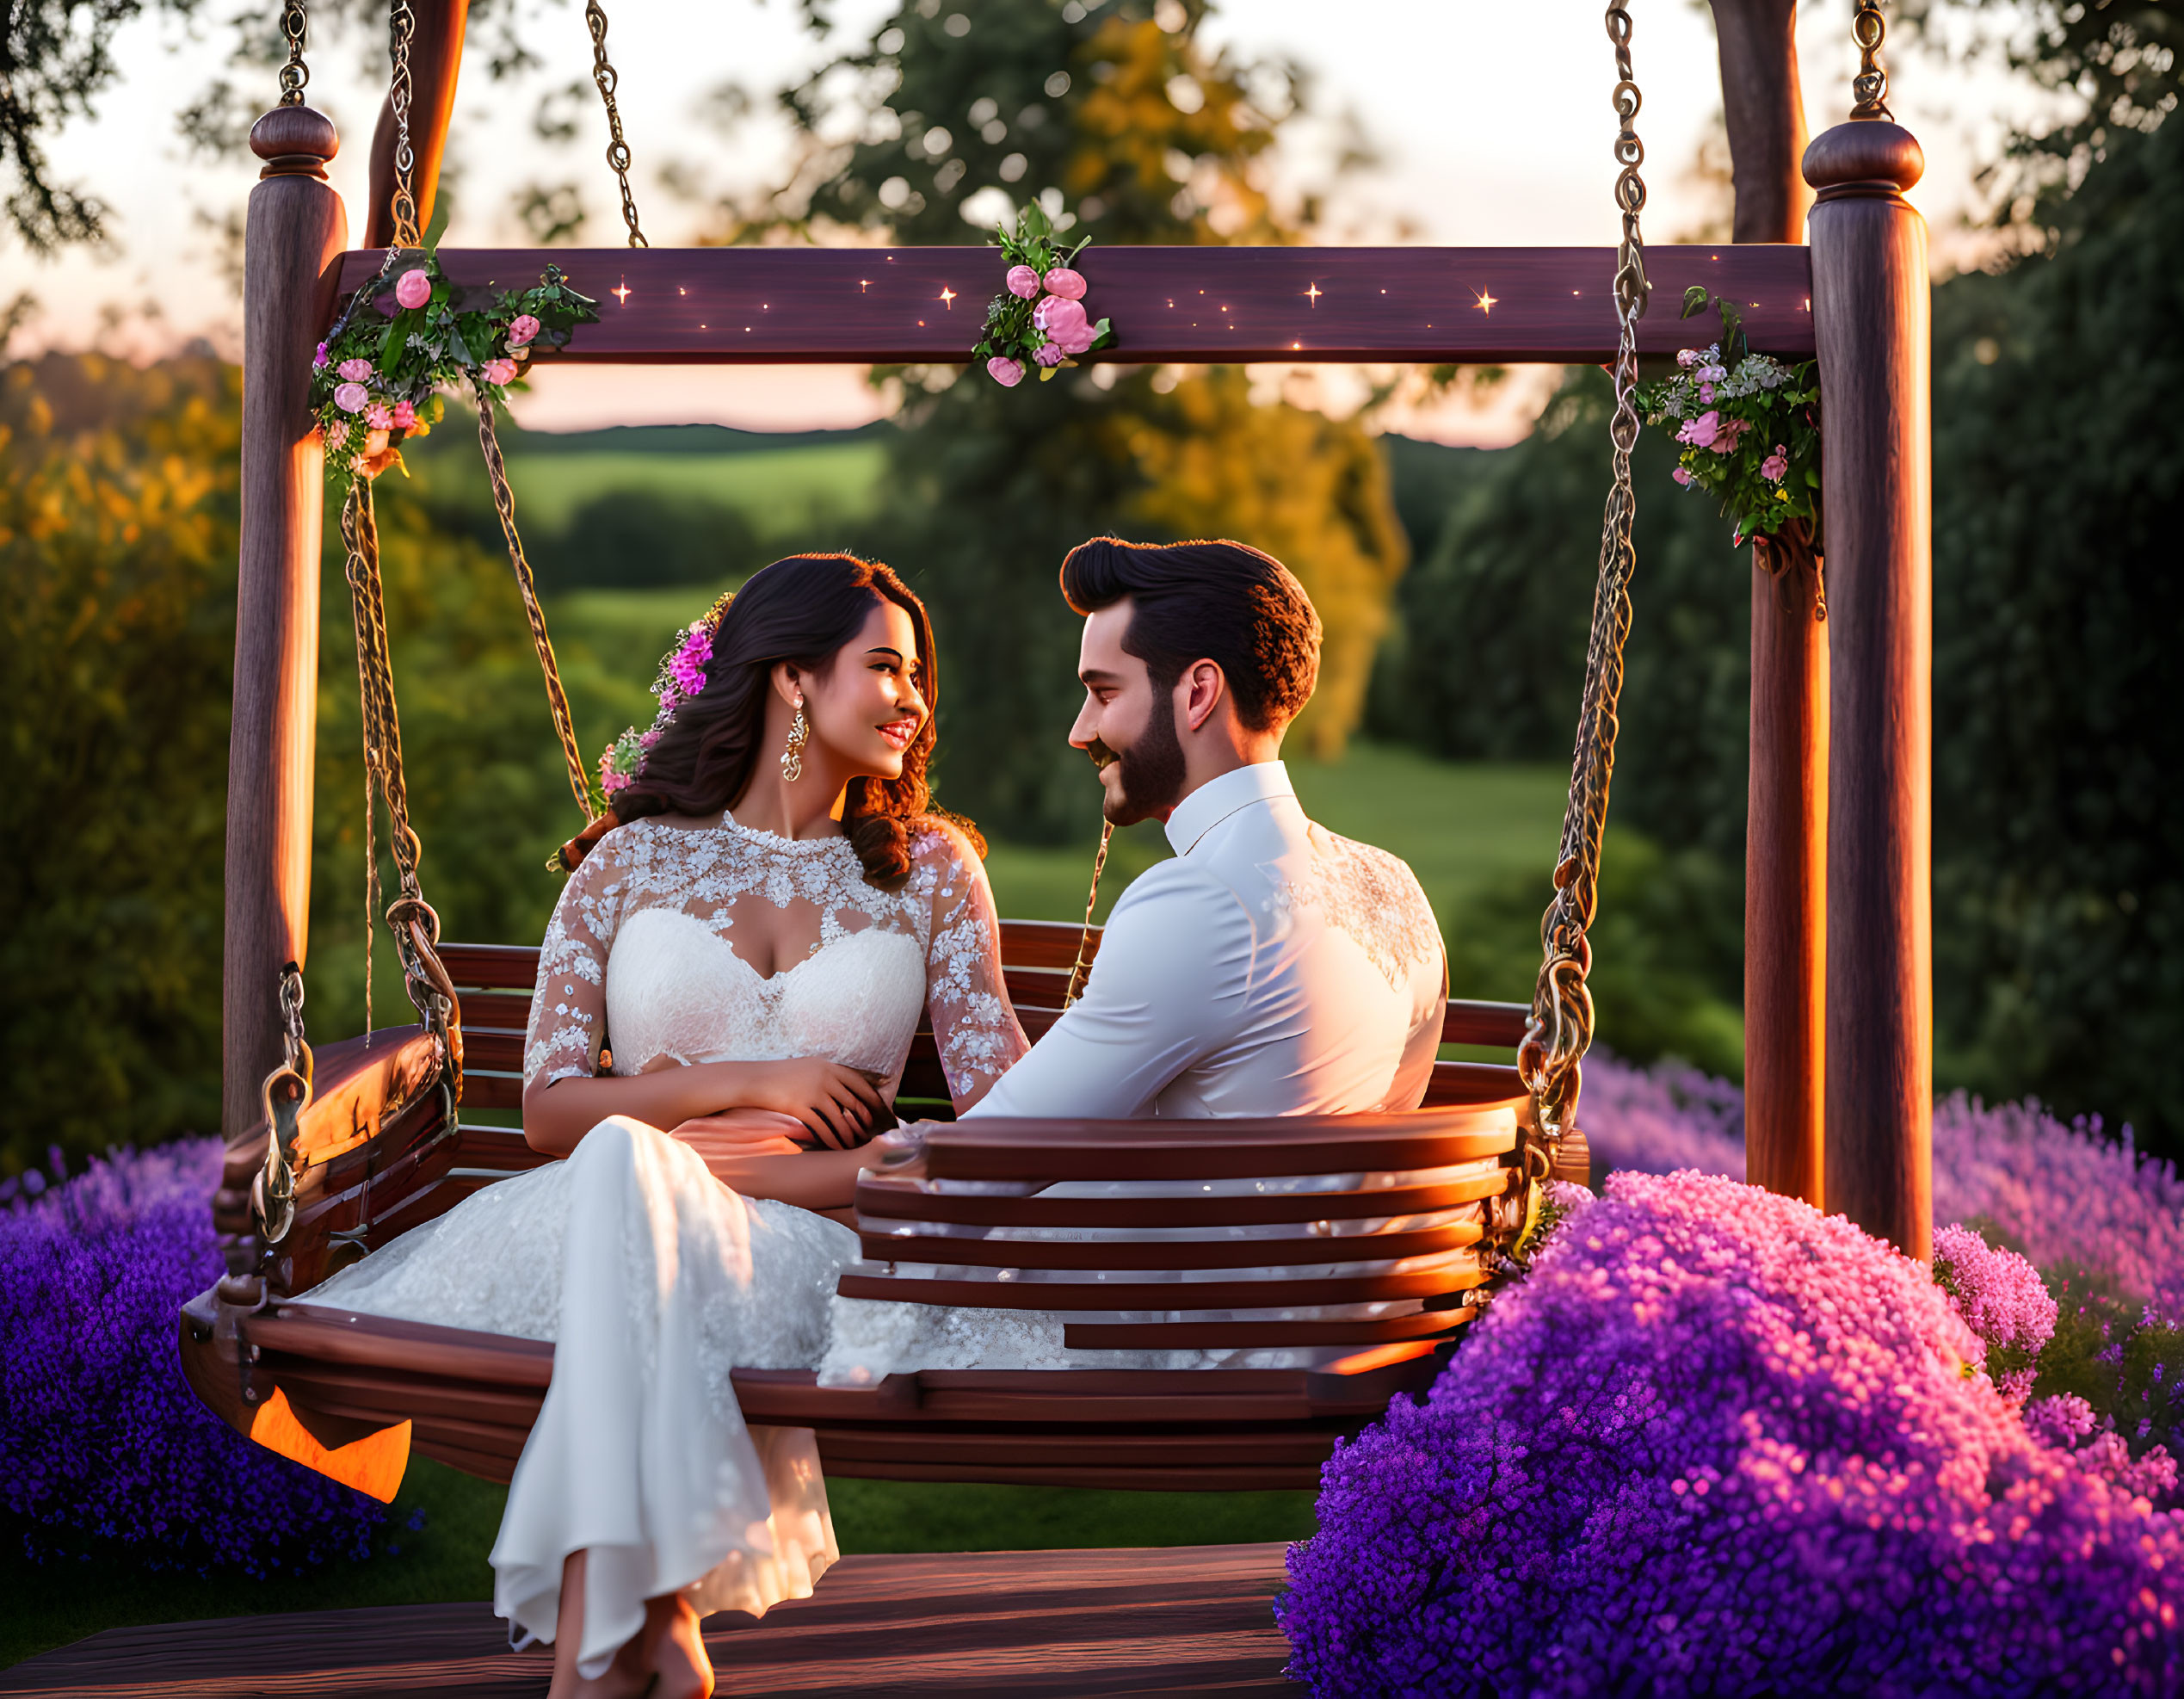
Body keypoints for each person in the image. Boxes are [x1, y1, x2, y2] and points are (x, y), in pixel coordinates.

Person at [303, 553, 1027, 1699]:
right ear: (792, 677)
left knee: (634, 1190)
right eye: (884, 666)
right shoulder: (627, 860)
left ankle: (611, 1640)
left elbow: (1006, 1118)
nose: (913, 698)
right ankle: (646, 1632)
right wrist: (763, 1079)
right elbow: (548, 1108)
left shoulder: (931, 873)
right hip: (600, 1202)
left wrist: (827, 1171)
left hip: (807, 1242)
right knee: (632, 1180)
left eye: (917, 675)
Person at [819, 535, 1450, 1384]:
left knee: (742, 1268)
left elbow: (981, 1175)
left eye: (1102, 692)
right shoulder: (1395, 884)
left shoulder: (1199, 902)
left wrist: (767, 1169)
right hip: (1339, 1326)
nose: (1081, 731)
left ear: (1197, 692)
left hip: (1182, 1341)